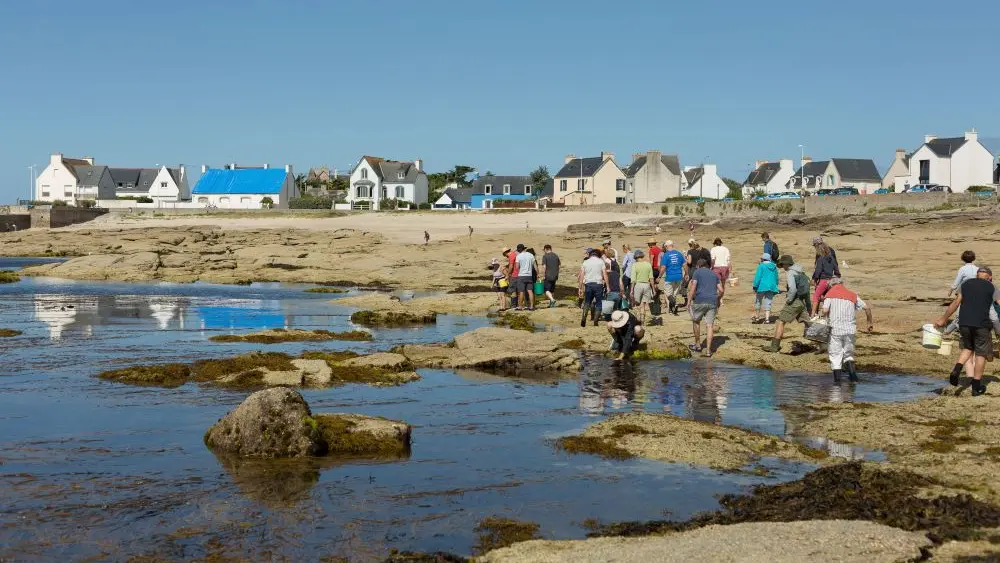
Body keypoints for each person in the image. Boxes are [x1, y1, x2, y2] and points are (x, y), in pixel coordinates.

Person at [935, 266, 1000, 396]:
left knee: (968, 348)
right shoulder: (993, 287)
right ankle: (976, 387)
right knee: (981, 354)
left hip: (964, 323)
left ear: (977, 275)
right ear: (990, 277)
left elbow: (955, 303)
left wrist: (943, 319)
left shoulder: (965, 284)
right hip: (982, 324)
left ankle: (957, 368)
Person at [821, 277, 873, 383]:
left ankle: (837, 382)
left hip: (835, 330)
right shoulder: (852, 295)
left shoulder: (829, 295)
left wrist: (823, 316)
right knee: (848, 355)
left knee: (835, 355)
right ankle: (853, 379)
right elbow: (867, 308)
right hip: (850, 330)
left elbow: (825, 311)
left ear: (831, 286)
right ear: (842, 284)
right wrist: (869, 323)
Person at [761, 255, 812, 353]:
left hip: (794, 301)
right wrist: (809, 306)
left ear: (786, 264)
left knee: (780, 321)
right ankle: (823, 344)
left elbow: (792, 289)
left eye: (782, 264)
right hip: (802, 302)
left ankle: (774, 346)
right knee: (808, 323)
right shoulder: (802, 273)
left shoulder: (790, 273)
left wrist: (789, 300)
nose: (782, 266)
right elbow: (807, 292)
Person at [687, 258, 723, 357]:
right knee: (710, 325)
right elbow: (721, 290)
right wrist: (718, 298)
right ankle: (708, 351)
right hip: (712, 301)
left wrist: (689, 301)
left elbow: (693, 287)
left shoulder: (697, 272)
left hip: (700, 300)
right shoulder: (714, 274)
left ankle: (698, 345)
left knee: (696, 321)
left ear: (698, 266)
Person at [579, 248, 610, 327]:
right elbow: (605, 274)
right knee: (599, 303)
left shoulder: (586, 262)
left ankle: (584, 318)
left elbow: (582, 275)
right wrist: (608, 286)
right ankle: (595, 321)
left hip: (588, 284)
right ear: (598, 255)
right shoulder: (601, 262)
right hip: (598, 284)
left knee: (587, 302)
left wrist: (580, 287)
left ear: (590, 255)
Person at [811, 239, 840, 313]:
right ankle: (828, 315)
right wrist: (835, 278)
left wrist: (814, 279)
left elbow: (818, 270)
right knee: (828, 297)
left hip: (823, 279)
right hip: (831, 280)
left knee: (816, 296)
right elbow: (836, 268)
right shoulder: (831, 256)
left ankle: (813, 315)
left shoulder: (820, 257)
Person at [659, 240, 686, 315]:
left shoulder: (666, 255)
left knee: (668, 294)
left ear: (666, 246)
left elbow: (663, 267)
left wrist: (659, 276)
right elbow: (684, 265)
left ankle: (669, 309)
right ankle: (673, 308)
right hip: (679, 276)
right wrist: (686, 273)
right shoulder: (679, 254)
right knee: (674, 294)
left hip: (670, 277)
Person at [752, 253, 780, 324]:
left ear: (762, 259)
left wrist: (755, 286)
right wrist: (775, 285)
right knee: (768, 302)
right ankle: (767, 319)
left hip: (762, 286)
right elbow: (776, 278)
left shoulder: (761, 266)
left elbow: (758, 277)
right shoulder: (774, 266)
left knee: (758, 301)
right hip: (771, 286)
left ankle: (757, 317)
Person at [630, 249, 655, 323]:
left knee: (637, 303)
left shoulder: (635, 265)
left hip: (638, 285)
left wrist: (631, 290)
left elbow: (633, 279)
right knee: (643, 304)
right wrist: (653, 289)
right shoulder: (648, 264)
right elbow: (651, 278)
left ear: (635, 257)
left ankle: (638, 319)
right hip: (647, 285)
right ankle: (642, 320)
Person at [514, 244, 536, 311]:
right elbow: (535, 266)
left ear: (519, 250)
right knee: (530, 291)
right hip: (529, 275)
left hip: (522, 275)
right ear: (524, 249)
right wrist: (538, 274)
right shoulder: (531, 255)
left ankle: (520, 306)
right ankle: (531, 306)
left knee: (521, 291)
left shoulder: (518, 256)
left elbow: (517, 267)